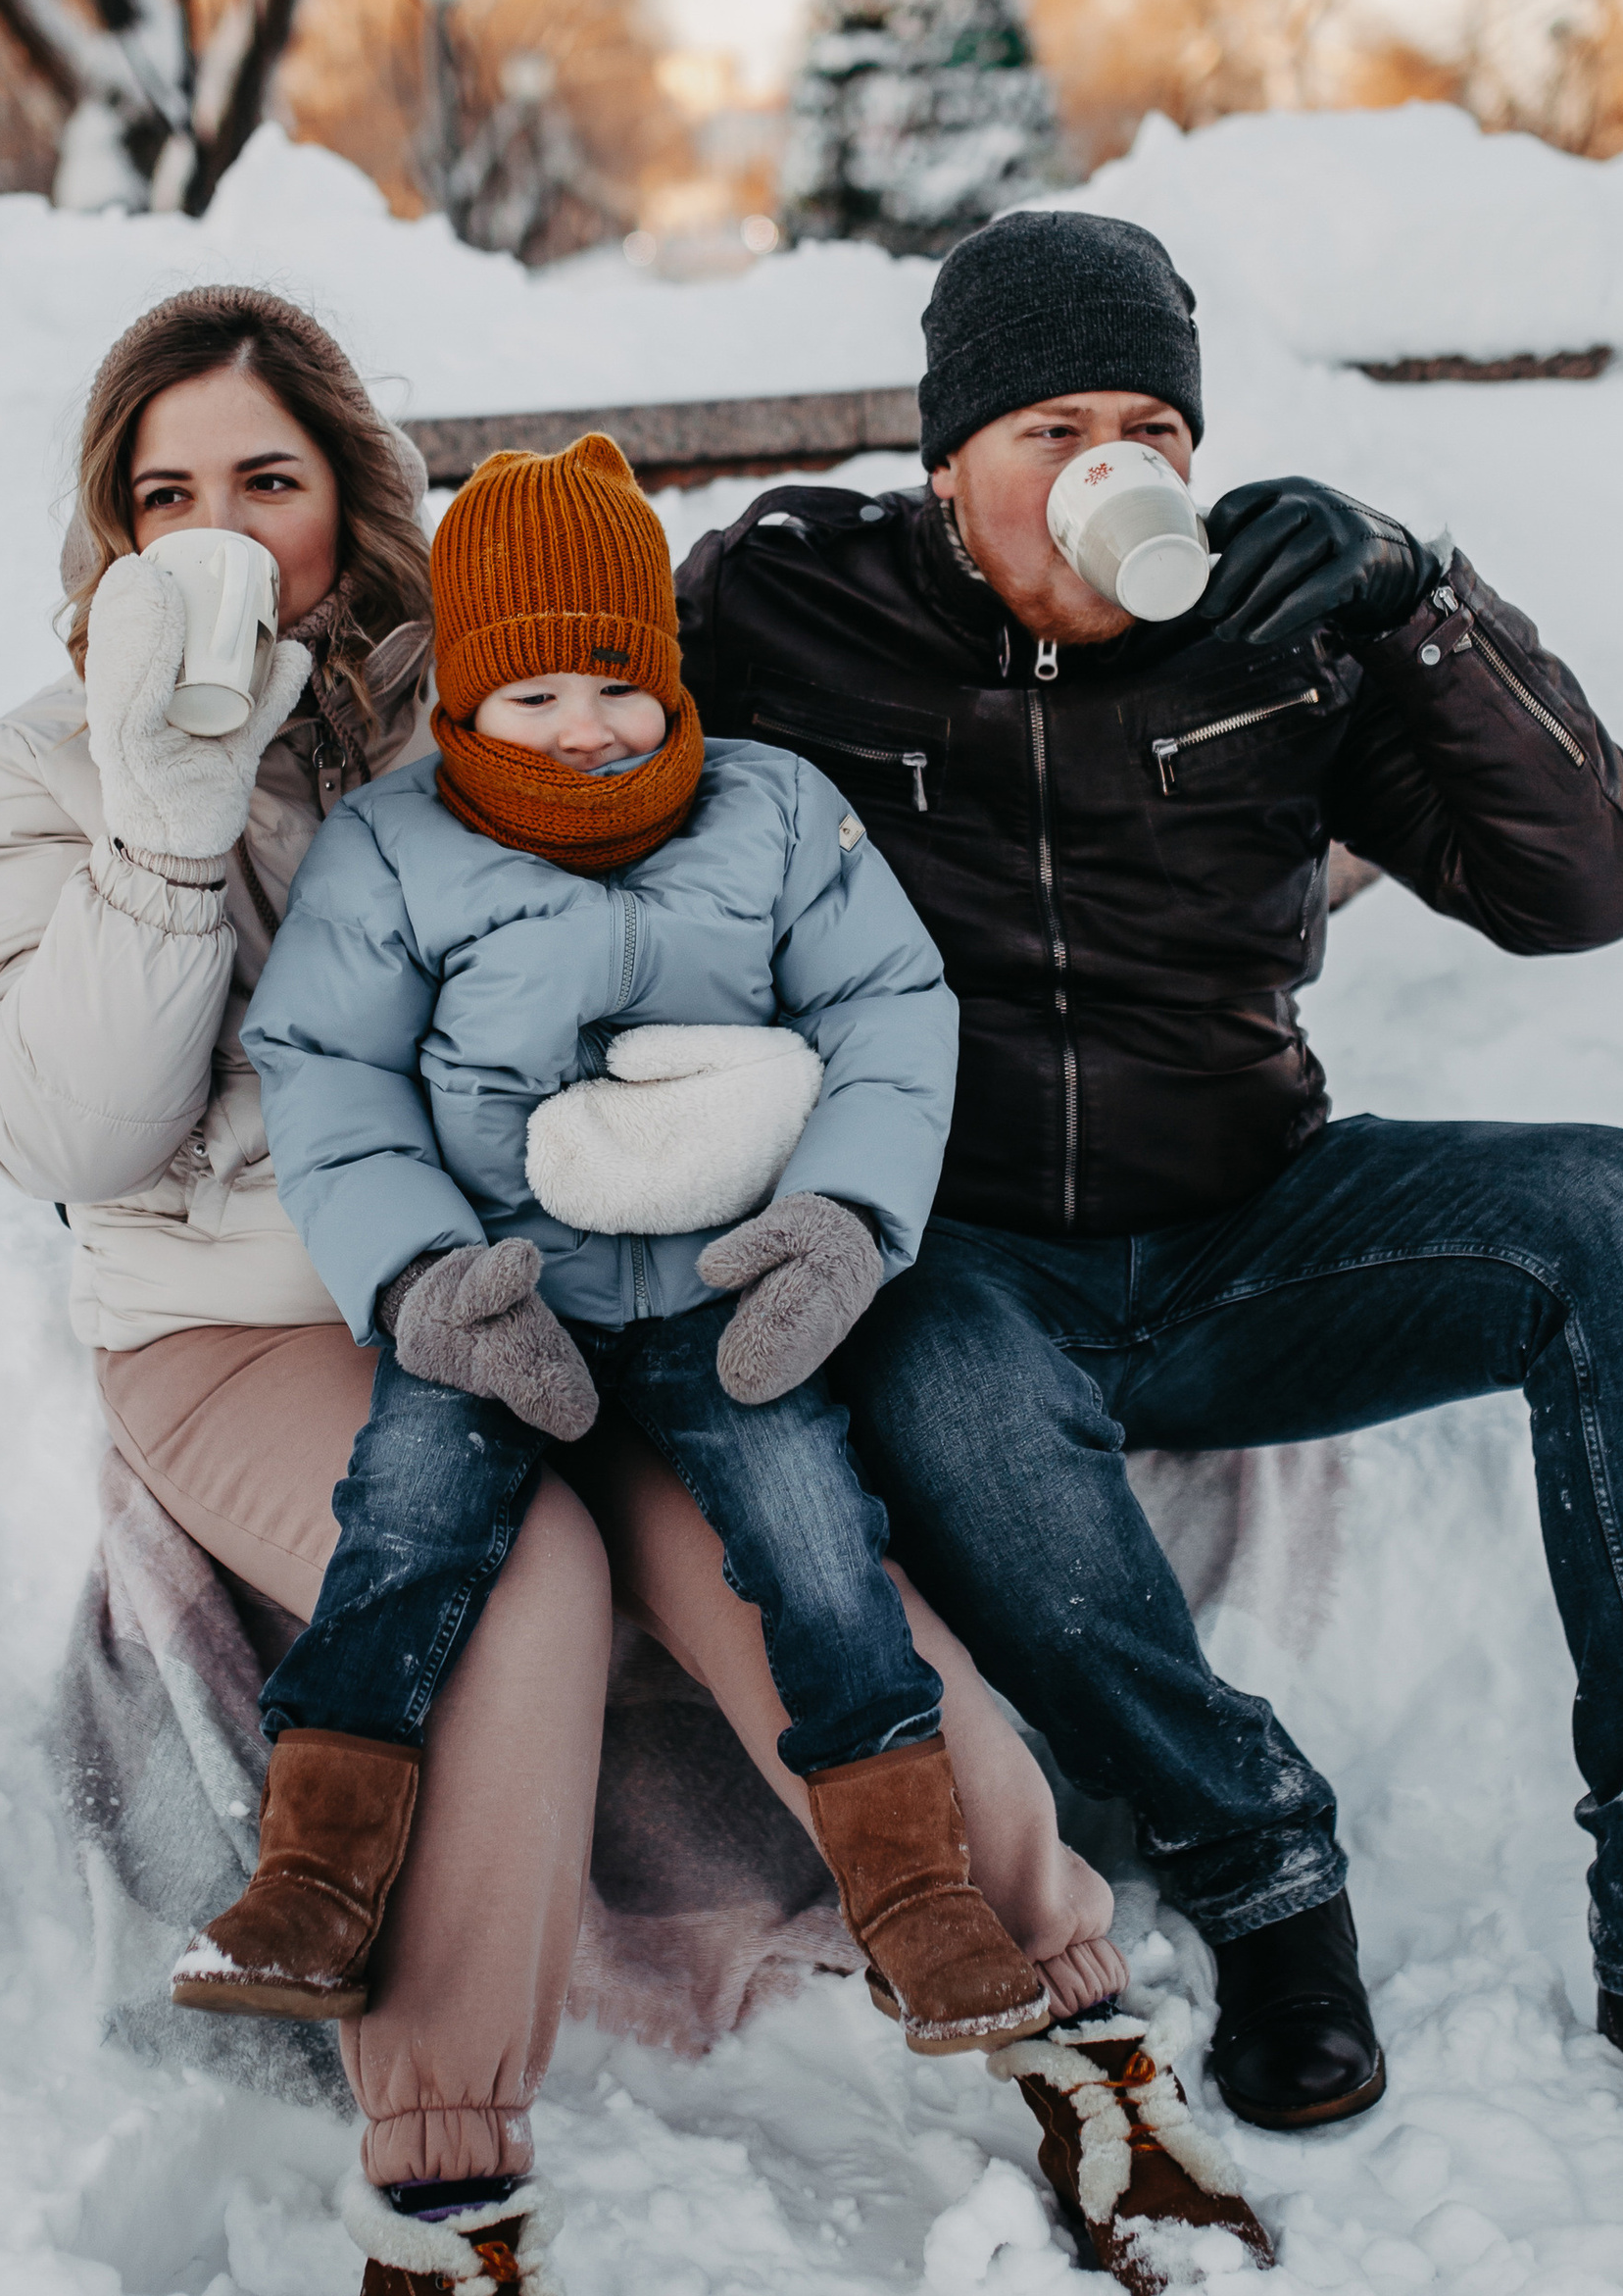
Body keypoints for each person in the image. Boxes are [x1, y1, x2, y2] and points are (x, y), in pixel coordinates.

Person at [0, 287, 1137, 2296]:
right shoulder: (47, 769)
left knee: (788, 1547)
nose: (220, 529)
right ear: (113, 538)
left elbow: (691, 977)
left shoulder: (487, 720)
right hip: (247, 1328)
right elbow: (77, 1136)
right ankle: (442, 2208)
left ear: (347, 506)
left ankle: (1065, 2024)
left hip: (577, 1307)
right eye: (166, 495)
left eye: (266, 484)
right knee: (520, 1580)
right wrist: (167, 810)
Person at [677, 205, 1623, 2170]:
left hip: (1251, 1224)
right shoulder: (786, 605)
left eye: (1145, 425)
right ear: (945, 458)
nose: (1102, 474)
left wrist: (1419, 600)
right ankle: (1261, 1882)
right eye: (1047, 428)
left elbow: (1585, 892)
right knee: (945, 1371)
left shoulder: (1274, 629)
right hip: (952, 1244)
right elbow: (544, 703)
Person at [199, 426, 1051, 2078]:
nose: (582, 728)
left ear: (669, 678)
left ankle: (918, 1891)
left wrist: (847, 1223)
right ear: (465, 704)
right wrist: (422, 1280)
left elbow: (891, 1006)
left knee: (817, 1540)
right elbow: (329, 1069)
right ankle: (314, 1872)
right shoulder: (395, 847)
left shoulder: (774, 811)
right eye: (532, 694)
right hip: (502, 1298)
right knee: (408, 1519)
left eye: (617, 683)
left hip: (732, 1298)